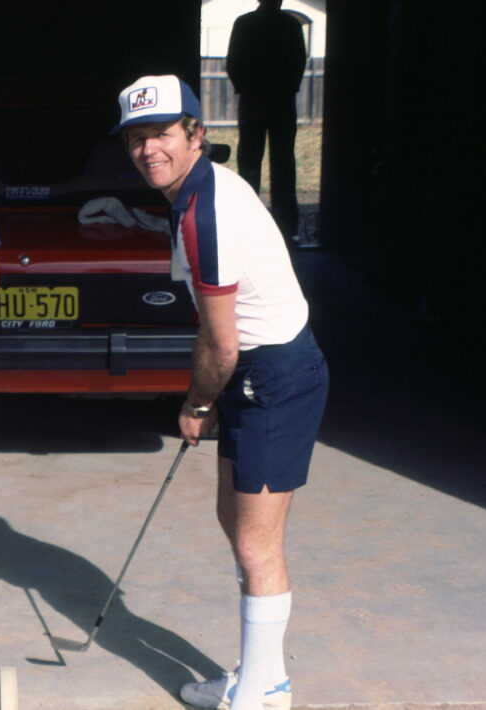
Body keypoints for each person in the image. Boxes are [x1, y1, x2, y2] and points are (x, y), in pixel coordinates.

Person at [112, 75, 328, 710]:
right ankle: (256, 673)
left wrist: (196, 405)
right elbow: (216, 336)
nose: (149, 150)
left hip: (275, 375)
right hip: (253, 372)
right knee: (232, 522)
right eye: (136, 140)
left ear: (195, 135)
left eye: (161, 135)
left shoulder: (205, 214)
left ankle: (265, 692)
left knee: (256, 543)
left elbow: (221, 346)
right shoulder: (188, 195)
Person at [226, 0, 307, 243]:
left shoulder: (245, 23)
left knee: (249, 161)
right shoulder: (290, 24)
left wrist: (248, 90)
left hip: (253, 102)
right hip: (281, 102)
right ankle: (286, 227)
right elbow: (298, 62)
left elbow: (233, 63)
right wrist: (285, 90)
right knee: (283, 163)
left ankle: (247, 224)